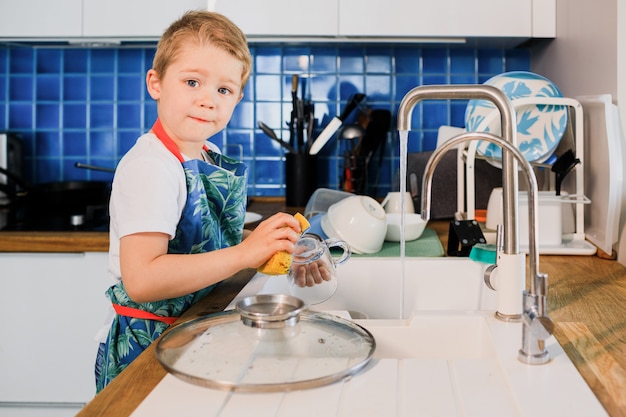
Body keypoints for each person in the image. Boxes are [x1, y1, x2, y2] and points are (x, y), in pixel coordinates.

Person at [94, 10, 302, 392]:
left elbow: (206, 236)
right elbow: (142, 279)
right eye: (192, 82)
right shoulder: (151, 167)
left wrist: (278, 245)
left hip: (189, 330)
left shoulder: (202, 152)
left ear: (238, 98)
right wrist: (246, 254)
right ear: (156, 83)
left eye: (223, 90)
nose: (208, 100)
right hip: (147, 345)